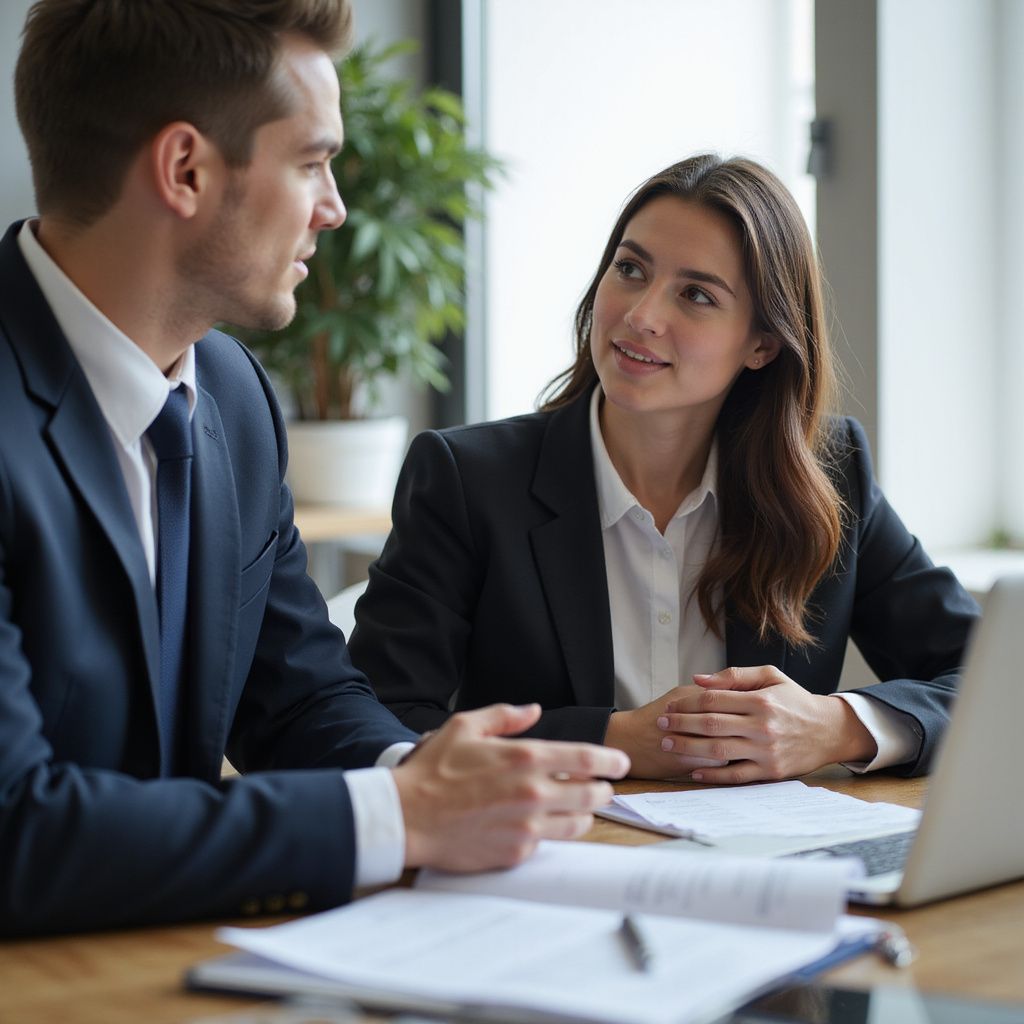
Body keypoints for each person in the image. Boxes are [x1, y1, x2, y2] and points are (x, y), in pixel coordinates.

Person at [0, 0, 630, 939]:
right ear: (186, 170)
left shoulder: (235, 396)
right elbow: (18, 831)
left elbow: (298, 694)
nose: (335, 208)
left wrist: (414, 776)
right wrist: (403, 819)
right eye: (311, 162)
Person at [350, 153, 980, 785]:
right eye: (630, 269)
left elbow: (991, 680)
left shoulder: (830, 478)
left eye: (697, 295)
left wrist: (835, 726)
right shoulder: (468, 479)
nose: (642, 315)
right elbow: (379, 721)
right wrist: (613, 738)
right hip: (541, 856)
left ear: (762, 343)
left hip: (765, 864)